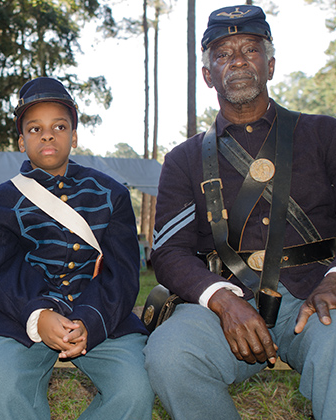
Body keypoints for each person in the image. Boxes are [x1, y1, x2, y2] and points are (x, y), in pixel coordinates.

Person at [144, 5, 336, 419]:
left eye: (250, 49)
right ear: (208, 74)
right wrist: (221, 301)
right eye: (223, 52)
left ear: (270, 65)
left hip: (316, 297)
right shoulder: (184, 158)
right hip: (232, 301)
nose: (238, 60)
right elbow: (169, 252)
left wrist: (335, 280)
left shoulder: (325, 134)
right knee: (170, 354)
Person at [0, 77, 154, 419]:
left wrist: (90, 320)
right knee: (0, 383)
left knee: (134, 389)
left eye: (59, 126)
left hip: (102, 315)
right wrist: (39, 315)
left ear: (74, 135)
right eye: (34, 128)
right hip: (21, 315)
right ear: (21, 140)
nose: (47, 135)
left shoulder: (111, 193)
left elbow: (124, 272)